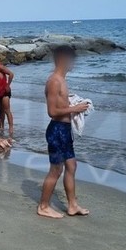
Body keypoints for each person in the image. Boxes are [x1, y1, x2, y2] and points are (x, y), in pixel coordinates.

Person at [37, 45, 90, 219]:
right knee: (56, 170)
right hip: (57, 130)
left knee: (72, 166)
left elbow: (61, 107)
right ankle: (43, 206)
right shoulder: (54, 81)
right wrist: (75, 108)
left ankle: (72, 205)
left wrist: (76, 108)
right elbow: (52, 112)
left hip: (65, 130)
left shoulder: (62, 80)